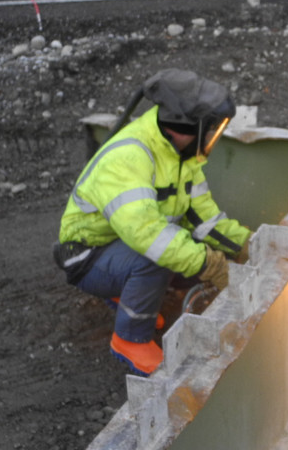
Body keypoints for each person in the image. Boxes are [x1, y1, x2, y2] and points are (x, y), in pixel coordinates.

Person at [54, 69, 251, 376]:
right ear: (184, 125)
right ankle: (130, 338)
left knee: (185, 252)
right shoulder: (129, 157)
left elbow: (204, 219)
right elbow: (149, 235)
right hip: (85, 255)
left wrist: (247, 246)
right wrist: (211, 266)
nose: (212, 135)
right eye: (209, 127)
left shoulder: (182, 155)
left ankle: (129, 294)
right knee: (159, 255)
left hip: (120, 244)